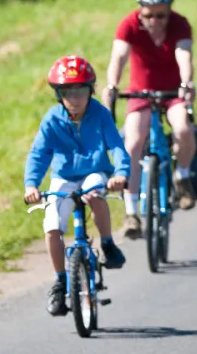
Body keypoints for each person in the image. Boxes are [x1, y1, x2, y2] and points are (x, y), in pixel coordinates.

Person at [25, 56, 130, 317]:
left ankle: (107, 243)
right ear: (58, 94)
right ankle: (60, 282)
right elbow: (39, 154)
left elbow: (116, 146)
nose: (74, 98)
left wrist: (120, 173)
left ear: (91, 90)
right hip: (64, 176)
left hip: (95, 171)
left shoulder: (100, 114)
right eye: (67, 92)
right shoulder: (52, 119)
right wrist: (31, 185)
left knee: (95, 194)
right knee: (51, 225)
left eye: (80, 91)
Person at [101, 0, 197, 240]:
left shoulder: (180, 24)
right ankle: (132, 213)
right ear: (140, 10)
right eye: (148, 15)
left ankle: (182, 177)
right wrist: (112, 85)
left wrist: (186, 83)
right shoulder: (129, 25)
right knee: (132, 144)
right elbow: (119, 56)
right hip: (139, 92)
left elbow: (183, 56)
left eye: (161, 15)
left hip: (172, 92)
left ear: (169, 10)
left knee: (183, 129)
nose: (155, 21)